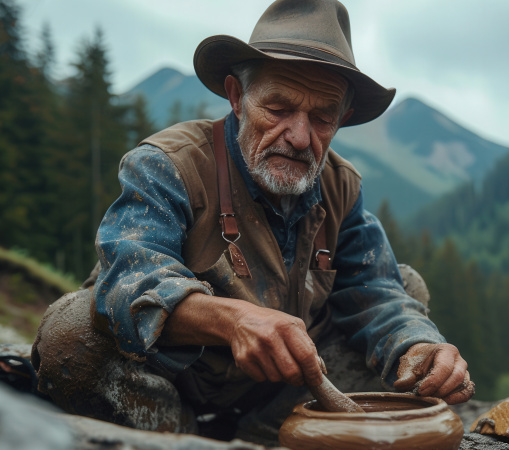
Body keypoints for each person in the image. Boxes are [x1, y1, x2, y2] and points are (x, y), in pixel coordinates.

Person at [31, 0, 474, 445]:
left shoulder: (341, 187)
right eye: (278, 109)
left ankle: (270, 437)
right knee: (71, 330)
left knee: (407, 290)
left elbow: (375, 291)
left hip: (281, 399)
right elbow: (130, 280)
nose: (299, 137)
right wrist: (232, 320)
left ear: (342, 119)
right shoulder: (169, 165)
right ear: (237, 97)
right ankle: (177, 438)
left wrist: (419, 345)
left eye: (322, 118)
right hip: (167, 385)